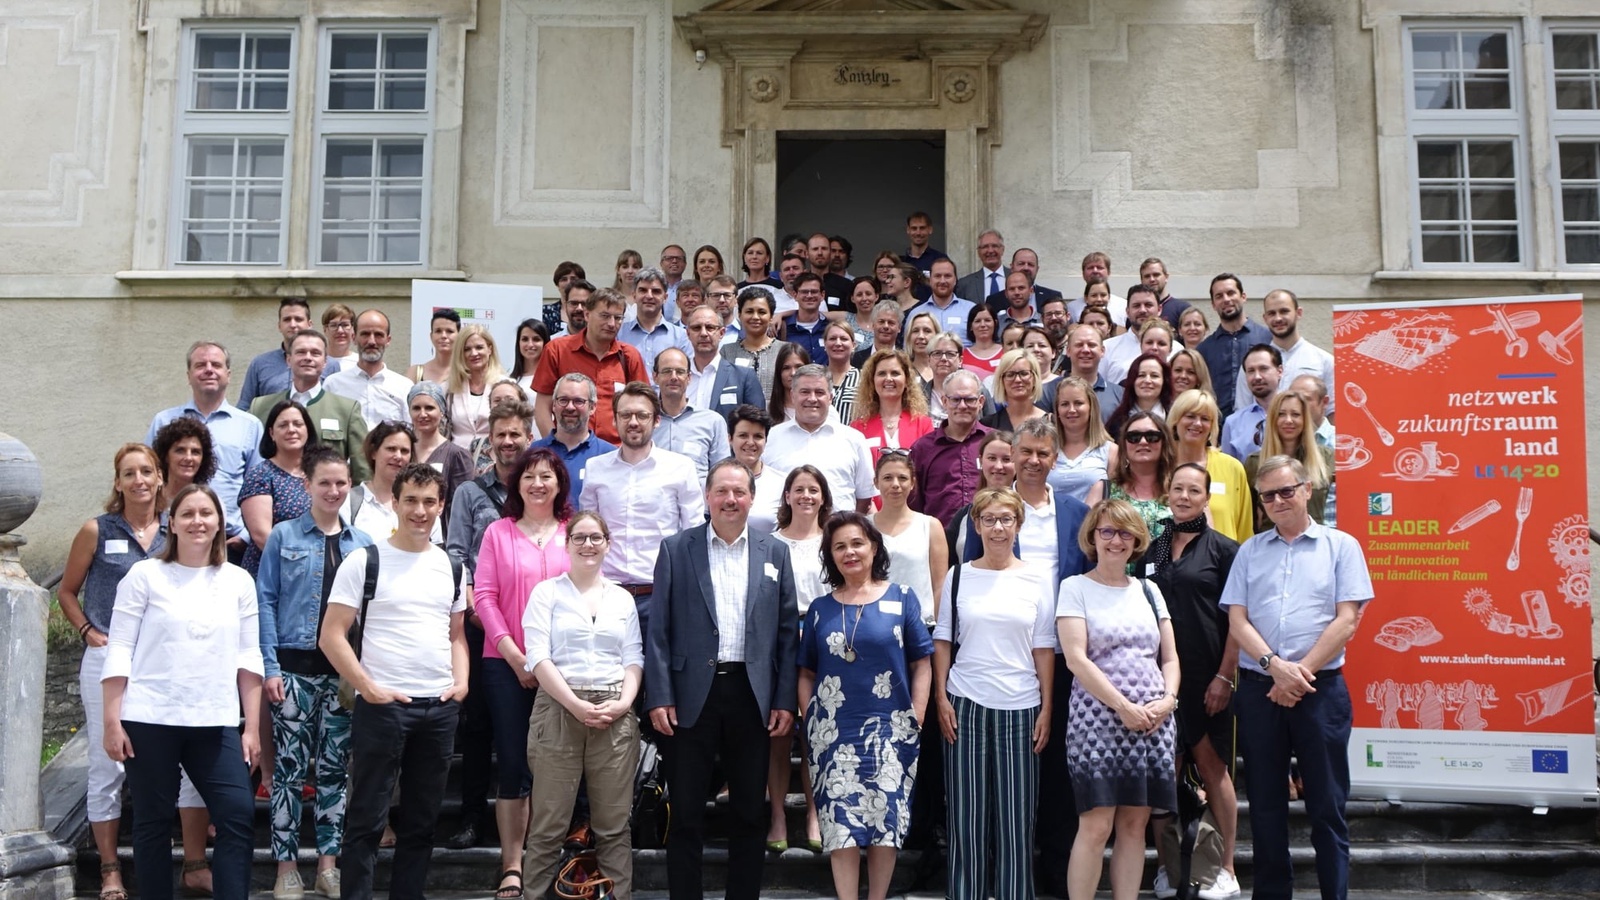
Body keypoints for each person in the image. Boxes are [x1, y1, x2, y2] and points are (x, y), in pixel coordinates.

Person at [59, 445, 215, 900]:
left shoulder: (178, 527)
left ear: (160, 478)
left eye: (147, 471)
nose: (140, 480)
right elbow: (67, 591)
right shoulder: (96, 529)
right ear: (118, 482)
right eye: (130, 473)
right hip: (109, 659)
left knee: (188, 764)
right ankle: (110, 869)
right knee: (107, 764)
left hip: (169, 661)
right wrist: (87, 629)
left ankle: (193, 864)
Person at [646, 460, 800, 900]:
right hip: (691, 697)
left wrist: (785, 699)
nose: (731, 500)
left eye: (740, 492)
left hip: (752, 696)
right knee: (687, 813)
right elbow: (658, 631)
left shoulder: (775, 552)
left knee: (750, 813)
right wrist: (659, 695)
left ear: (752, 498)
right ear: (707, 497)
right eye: (722, 492)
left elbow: (788, 634)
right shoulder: (677, 549)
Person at [1222, 456, 1374, 900]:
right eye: (1267, 495)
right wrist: (1276, 667)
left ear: (1307, 489)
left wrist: (1298, 675)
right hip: (1258, 690)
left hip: (1319, 691)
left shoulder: (1341, 546)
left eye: (1286, 491)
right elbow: (1237, 620)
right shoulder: (1249, 551)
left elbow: (1348, 620)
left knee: (1327, 806)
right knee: (1266, 808)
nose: (1277, 501)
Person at [101, 484, 263, 900]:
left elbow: (249, 657)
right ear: (171, 523)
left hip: (215, 719)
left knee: (238, 815)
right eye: (187, 513)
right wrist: (111, 719)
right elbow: (119, 647)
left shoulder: (239, 581)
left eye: (206, 513)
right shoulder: (145, 575)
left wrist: (252, 729)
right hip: (149, 717)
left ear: (219, 523)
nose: (197, 521)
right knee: (153, 822)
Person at [320, 464, 469, 900]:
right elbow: (331, 634)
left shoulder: (452, 566)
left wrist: (460, 684)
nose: (420, 511)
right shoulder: (365, 560)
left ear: (441, 506)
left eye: (429, 502)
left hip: (438, 708)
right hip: (383, 706)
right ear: (396, 503)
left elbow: (456, 633)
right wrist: (368, 687)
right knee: (366, 818)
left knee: (422, 821)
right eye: (411, 501)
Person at [257, 449, 374, 900]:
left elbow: (367, 616)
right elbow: (265, 601)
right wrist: (270, 667)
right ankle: (286, 867)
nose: (333, 491)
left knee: (334, 770)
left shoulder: (361, 543)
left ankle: (328, 864)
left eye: (341, 483)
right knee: (287, 772)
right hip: (293, 671)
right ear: (307, 486)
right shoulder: (284, 537)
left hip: (342, 676)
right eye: (324, 482)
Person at [799, 512, 935, 900]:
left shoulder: (903, 598)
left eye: (857, 543)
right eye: (839, 546)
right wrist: (811, 719)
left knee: (884, 823)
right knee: (839, 825)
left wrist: (917, 715)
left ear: (874, 547)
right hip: (833, 733)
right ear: (830, 555)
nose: (850, 552)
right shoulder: (820, 608)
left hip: (891, 731)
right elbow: (805, 671)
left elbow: (921, 662)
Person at [931, 487, 1056, 900]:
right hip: (964, 703)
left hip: (1021, 706)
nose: (998, 528)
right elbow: (944, 640)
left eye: (1006, 519)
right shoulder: (959, 575)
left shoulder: (1037, 577)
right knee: (966, 819)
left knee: (1017, 821)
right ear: (976, 525)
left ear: (1019, 525)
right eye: (989, 519)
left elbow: (1043, 647)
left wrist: (1047, 708)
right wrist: (940, 699)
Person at [1056, 499, 1179, 900]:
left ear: (1137, 539)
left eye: (1125, 532)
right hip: (1098, 719)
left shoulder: (1150, 590)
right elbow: (1076, 658)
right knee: (1096, 825)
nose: (1115, 540)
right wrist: (1123, 707)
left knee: (1134, 825)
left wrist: (1168, 700)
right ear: (1093, 536)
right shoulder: (1075, 588)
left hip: (1155, 721)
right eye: (1107, 531)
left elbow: (1170, 657)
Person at [520, 511, 642, 900]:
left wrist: (623, 703)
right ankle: (534, 894)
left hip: (613, 712)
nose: (588, 545)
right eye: (580, 538)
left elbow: (633, 658)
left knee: (613, 825)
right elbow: (538, 657)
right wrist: (574, 705)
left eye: (596, 538)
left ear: (608, 543)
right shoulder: (546, 593)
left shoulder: (622, 598)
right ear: (567, 543)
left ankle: (617, 894)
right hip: (559, 707)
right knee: (548, 824)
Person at [471, 446, 575, 899]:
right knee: (513, 762)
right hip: (506, 666)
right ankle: (512, 864)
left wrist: (546, 663)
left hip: (563, 670)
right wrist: (516, 657)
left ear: (559, 485)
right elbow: (485, 599)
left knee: (557, 766)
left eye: (546, 476)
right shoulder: (499, 532)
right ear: (517, 484)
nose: (537, 483)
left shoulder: (574, 533)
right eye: (529, 476)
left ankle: (548, 859)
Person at [443, 400, 534, 850]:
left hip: (533, 630)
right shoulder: (469, 494)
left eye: (516, 434)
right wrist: (473, 609)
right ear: (488, 440)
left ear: (528, 438)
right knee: (478, 728)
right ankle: (473, 818)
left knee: (534, 729)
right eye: (500, 434)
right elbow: (457, 554)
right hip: (480, 626)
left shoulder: (540, 491)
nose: (508, 442)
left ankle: (534, 819)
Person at [1148, 463, 1242, 900]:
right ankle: (1169, 868)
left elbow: (1239, 621)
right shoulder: (1152, 549)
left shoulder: (1225, 550)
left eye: (1194, 490)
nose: (1184, 496)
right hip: (1160, 679)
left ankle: (1225, 867)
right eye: (1178, 489)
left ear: (1207, 497)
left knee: (1213, 769)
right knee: (1164, 774)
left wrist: (1225, 675)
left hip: (1208, 678)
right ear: (1167, 493)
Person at [579, 382, 706, 643]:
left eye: (642, 415)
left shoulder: (680, 468)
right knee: (612, 680)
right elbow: (587, 534)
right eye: (625, 415)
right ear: (614, 421)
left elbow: (693, 537)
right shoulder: (596, 468)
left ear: (657, 420)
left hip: (661, 595)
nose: (633, 422)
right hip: (607, 595)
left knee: (659, 680)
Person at [147, 341, 264, 558]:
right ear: (188, 375)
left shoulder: (250, 425)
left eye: (216, 365)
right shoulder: (164, 421)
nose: (209, 369)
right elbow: (151, 477)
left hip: (231, 540)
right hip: (170, 535)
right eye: (200, 365)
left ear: (228, 374)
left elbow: (259, 487)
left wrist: (247, 536)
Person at [767, 465, 833, 853]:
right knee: (778, 733)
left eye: (813, 489)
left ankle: (813, 811)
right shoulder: (770, 544)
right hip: (780, 643)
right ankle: (776, 814)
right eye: (798, 489)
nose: (806, 496)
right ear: (787, 496)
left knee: (815, 735)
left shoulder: (833, 541)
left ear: (823, 497)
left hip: (823, 643)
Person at [247, 329, 372, 484]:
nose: (308, 358)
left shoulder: (347, 410)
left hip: (329, 501)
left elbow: (363, 469)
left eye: (315, 353)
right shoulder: (261, 407)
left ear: (325, 362)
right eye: (301, 352)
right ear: (288, 359)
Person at [532, 287, 650, 444]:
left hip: (616, 453)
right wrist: (556, 449)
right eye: (605, 316)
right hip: (569, 449)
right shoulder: (558, 350)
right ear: (587, 315)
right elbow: (542, 408)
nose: (611, 323)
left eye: (618, 318)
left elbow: (643, 406)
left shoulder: (629, 356)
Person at [766, 365, 878, 512]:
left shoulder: (853, 439)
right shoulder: (773, 437)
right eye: (805, 392)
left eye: (819, 392)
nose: (812, 399)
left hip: (839, 531)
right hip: (784, 531)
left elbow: (864, 498)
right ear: (793, 395)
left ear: (830, 397)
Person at [241, 400, 321, 576]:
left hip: (315, 570)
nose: (291, 430)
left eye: (298, 424)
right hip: (274, 572)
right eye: (283, 425)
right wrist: (300, 563)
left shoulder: (320, 473)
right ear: (271, 433)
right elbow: (262, 535)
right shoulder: (261, 474)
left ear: (307, 430)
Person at [868, 452, 949, 621]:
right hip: (874, 624)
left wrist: (941, 631)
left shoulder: (930, 526)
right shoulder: (864, 527)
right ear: (876, 482)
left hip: (921, 625)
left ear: (912, 483)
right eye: (888, 478)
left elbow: (940, 585)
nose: (895, 484)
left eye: (902, 478)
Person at [1168, 389, 1254, 544]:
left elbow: (1244, 531)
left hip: (1223, 564)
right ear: (1176, 420)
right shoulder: (1161, 466)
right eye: (1190, 416)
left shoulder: (1232, 468)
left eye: (1205, 418)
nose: (1197, 423)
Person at [908, 370, 990, 527]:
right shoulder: (923, 449)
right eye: (955, 399)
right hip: (940, 541)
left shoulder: (994, 442)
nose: (962, 406)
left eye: (970, 399)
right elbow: (914, 504)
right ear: (944, 401)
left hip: (988, 538)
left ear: (981, 402)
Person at [1086, 411, 1174, 559]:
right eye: (1134, 437)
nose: (1143, 442)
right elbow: (1086, 543)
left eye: (1152, 436)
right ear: (1124, 445)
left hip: (1169, 580)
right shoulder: (1103, 490)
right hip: (1113, 579)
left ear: (1164, 442)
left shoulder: (1181, 491)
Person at [1245, 390, 1336, 531]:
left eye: (1295, 414)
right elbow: (1250, 518)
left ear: (1305, 419)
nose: (1288, 420)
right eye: (1281, 414)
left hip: (1316, 544)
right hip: (1271, 543)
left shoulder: (1326, 458)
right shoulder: (1255, 462)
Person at [343, 420, 443, 543]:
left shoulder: (423, 505)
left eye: (404, 451)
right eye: (391, 449)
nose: (398, 456)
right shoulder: (349, 502)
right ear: (374, 452)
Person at [1196, 274, 1273, 420]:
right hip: (1217, 431)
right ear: (1213, 304)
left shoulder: (1267, 338)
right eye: (1219, 296)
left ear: (1243, 296)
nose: (1226, 299)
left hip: (1261, 427)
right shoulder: (1204, 349)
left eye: (1231, 293)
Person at [324, 309, 414, 428]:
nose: (371, 341)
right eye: (365, 334)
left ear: (388, 340)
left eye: (378, 335)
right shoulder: (333, 384)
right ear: (354, 337)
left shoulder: (404, 387)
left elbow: (411, 433)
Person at [654, 347, 732, 482]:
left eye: (680, 372)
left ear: (689, 377)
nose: (673, 377)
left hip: (698, 501)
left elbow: (722, 475)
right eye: (667, 371)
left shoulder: (712, 421)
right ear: (655, 377)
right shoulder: (645, 422)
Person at [1256, 288, 1337, 418]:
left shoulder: (1324, 361)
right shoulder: (1254, 363)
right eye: (1272, 313)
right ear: (1265, 318)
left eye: (1284, 311)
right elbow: (1243, 410)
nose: (1278, 318)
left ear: (1298, 313)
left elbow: (1333, 412)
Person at [407, 381, 475, 536]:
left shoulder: (457, 455)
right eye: (416, 408)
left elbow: (462, 508)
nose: (423, 414)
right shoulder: (402, 451)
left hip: (442, 540)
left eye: (429, 408)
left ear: (442, 411)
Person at [851, 349, 936, 465]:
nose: (888, 379)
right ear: (872, 381)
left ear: (906, 380)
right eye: (882, 373)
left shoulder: (923, 425)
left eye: (895, 373)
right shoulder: (857, 428)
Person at [683, 305, 764, 421]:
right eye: (696, 328)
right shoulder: (677, 377)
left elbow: (757, 424)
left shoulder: (743, 377)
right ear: (688, 333)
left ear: (722, 333)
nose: (703, 333)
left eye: (710, 327)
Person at [1047, 375, 1115, 503]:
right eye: (1065, 404)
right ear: (1057, 410)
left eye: (1078, 403)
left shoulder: (1111, 451)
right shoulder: (1046, 449)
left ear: (1091, 407)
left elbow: (1115, 502)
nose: (1071, 410)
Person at [443, 324, 509, 452]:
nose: (474, 353)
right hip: (457, 462)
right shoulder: (448, 388)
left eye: (479, 347)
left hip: (494, 460)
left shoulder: (505, 386)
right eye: (467, 349)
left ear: (490, 349)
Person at [721, 287, 796, 399]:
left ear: (771, 317)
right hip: (737, 415)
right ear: (740, 315)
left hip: (778, 415)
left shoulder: (786, 350)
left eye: (762, 312)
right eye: (749, 311)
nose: (755, 317)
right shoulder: (727, 351)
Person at [238, 297, 313, 409]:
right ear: (279, 326)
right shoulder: (260, 364)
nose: (293, 324)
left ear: (309, 324)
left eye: (298, 319)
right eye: (287, 319)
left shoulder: (329, 365)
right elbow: (245, 407)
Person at [620, 266, 692, 371]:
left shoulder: (681, 337)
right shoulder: (619, 334)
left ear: (665, 298)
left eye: (656, 291)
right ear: (634, 296)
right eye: (643, 290)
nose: (649, 296)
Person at [1221, 344, 1284, 463]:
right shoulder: (1233, 423)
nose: (1257, 377)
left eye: (1263, 369)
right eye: (1251, 371)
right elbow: (1229, 472)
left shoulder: (1295, 416)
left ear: (1279, 371)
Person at [727, 405, 785, 534]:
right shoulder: (716, 480)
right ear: (730, 439)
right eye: (743, 435)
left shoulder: (782, 483)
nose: (750, 442)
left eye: (758, 436)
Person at [1106, 352, 1175, 439]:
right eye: (1141, 375)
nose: (1147, 380)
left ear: (1164, 381)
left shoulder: (1175, 417)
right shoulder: (1116, 422)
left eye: (1154, 376)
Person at [911, 257, 977, 340]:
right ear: (930, 280)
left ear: (955, 280)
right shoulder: (916, 313)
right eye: (937, 276)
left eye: (947, 276)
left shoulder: (971, 310)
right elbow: (909, 347)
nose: (942, 281)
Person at [981, 349, 1047, 432]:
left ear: (1035, 378)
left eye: (1024, 373)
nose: (1017, 379)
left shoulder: (1050, 422)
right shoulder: (988, 425)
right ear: (1002, 380)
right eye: (1010, 375)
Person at [152, 417, 216, 499]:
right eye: (180, 451)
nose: (188, 458)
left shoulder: (210, 502)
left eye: (195, 452)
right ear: (165, 456)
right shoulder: (149, 499)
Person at [821, 320, 861, 423]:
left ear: (853, 345)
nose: (838, 343)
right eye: (832, 338)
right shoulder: (815, 377)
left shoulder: (863, 379)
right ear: (825, 344)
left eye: (844, 339)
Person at [955, 229, 1007, 306]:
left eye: (994, 246)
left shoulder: (1015, 278)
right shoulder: (965, 284)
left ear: (1002, 250)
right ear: (978, 252)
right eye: (985, 247)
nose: (990, 250)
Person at [409, 308, 461, 385]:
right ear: (431, 336)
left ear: (459, 336)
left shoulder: (467, 373)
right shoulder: (415, 373)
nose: (443, 336)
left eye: (449, 331)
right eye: (438, 331)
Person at [1140, 258, 1194, 329]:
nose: (1152, 279)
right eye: (1147, 276)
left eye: (1156, 275)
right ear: (1141, 280)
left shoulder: (1182, 309)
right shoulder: (1138, 311)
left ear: (1166, 277)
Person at [766, 342, 812, 425]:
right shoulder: (767, 410)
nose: (793, 373)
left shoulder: (822, 408)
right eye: (786, 368)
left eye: (798, 367)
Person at [850, 299, 904, 368]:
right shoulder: (855, 359)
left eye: (891, 322)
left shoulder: (906, 360)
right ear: (873, 325)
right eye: (881, 321)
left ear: (899, 328)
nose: (886, 326)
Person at [507, 318, 551, 401]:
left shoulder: (553, 379)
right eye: (525, 339)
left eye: (536, 339)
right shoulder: (510, 380)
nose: (530, 344)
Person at [546, 261, 587, 334]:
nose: (569, 283)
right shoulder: (545, 312)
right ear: (557, 285)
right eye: (564, 279)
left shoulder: (591, 311)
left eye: (573, 279)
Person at [962, 305, 1003, 376]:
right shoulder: (962, 356)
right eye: (977, 321)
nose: (983, 325)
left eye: (987, 320)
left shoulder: (1005, 352)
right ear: (971, 326)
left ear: (995, 323)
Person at [843, 276, 883, 344]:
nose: (864, 298)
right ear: (852, 298)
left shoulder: (885, 322)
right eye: (859, 295)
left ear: (876, 296)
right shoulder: (845, 318)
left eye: (868, 294)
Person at [904, 311, 940, 385]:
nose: (921, 336)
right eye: (915, 331)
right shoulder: (903, 371)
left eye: (927, 331)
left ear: (937, 335)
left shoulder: (946, 370)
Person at [321, 303, 358, 371]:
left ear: (353, 329)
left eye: (345, 325)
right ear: (325, 330)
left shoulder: (361, 363)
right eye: (334, 325)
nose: (340, 331)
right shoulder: (316, 361)